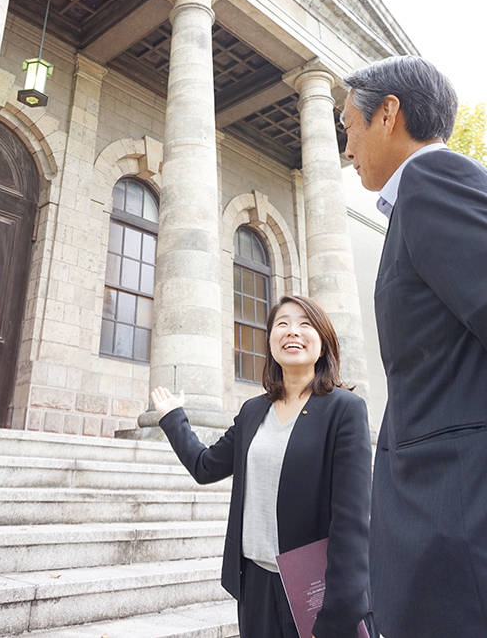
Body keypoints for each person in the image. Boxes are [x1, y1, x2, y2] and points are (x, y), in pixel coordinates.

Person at [341, 55, 487, 637]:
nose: (344, 145)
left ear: (388, 115)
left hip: (455, 524)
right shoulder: (418, 199)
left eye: (348, 123)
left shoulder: (434, 180)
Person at [152, 295, 372, 638]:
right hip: (254, 584)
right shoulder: (254, 411)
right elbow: (205, 466)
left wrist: (337, 612)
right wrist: (173, 419)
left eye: (305, 324)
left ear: (323, 341)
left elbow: (352, 521)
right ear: (270, 342)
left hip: (314, 591)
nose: (292, 332)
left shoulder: (345, 410)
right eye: (281, 324)